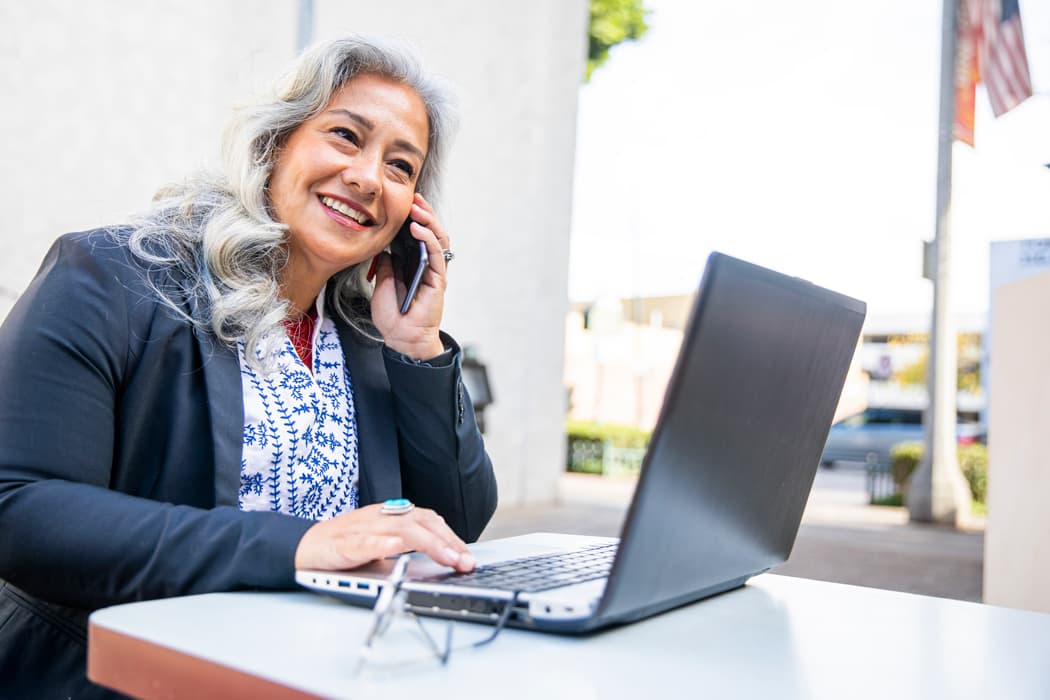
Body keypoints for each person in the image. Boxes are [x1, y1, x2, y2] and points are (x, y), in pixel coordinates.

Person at [0, 35, 497, 698]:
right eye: (346, 136)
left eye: (402, 167)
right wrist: (294, 547)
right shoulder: (108, 277)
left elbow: (459, 525)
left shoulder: (370, 338)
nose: (370, 178)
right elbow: (22, 511)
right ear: (274, 144)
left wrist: (419, 346)